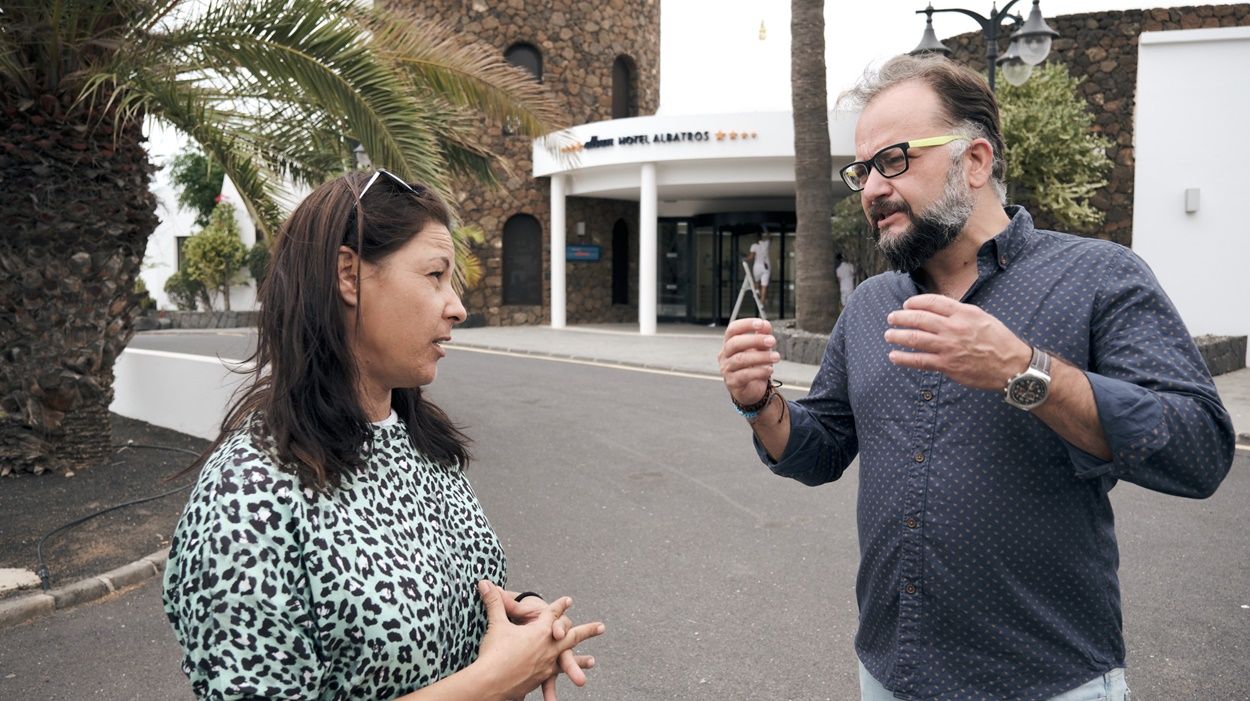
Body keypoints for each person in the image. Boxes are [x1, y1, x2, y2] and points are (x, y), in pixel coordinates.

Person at [717, 55, 1233, 701]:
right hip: (889, 671)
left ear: (977, 161)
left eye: (895, 159)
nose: (872, 187)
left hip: (1046, 679)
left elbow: (1199, 452)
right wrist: (760, 401)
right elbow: (819, 452)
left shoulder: (1100, 277)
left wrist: (1026, 371)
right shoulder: (872, 304)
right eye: (863, 170)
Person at [163, 169, 605, 700]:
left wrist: (510, 624)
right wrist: (492, 681)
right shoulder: (248, 496)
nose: (458, 306)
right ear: (348, 275)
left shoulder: (422, 446)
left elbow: (415, 601)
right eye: (435, 275)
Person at [746, 228, 771, 308]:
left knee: (756, 281)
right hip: (766, 267)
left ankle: (756, 291)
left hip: (757, 266)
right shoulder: (766, 243)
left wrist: (744, 258)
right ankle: (762, 302)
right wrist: (766, 229)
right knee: (764, 285)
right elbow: (771, 238)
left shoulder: (754, 246)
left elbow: (751, 257)